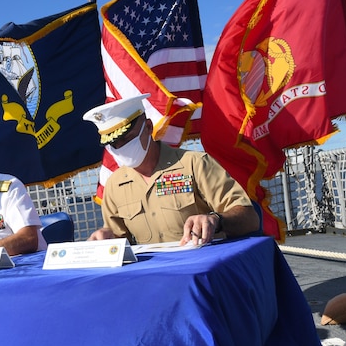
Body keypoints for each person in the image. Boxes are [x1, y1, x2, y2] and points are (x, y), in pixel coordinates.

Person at [82, 94, 259, 246]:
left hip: (204, 269)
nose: (120, 147)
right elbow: (121, 241)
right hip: (157, 276)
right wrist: (106, 239)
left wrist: (216, 220)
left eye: (127, 138)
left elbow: (249, 218)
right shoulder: (114, 184)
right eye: (113, 144)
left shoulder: (194, 164)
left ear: (149, 127)